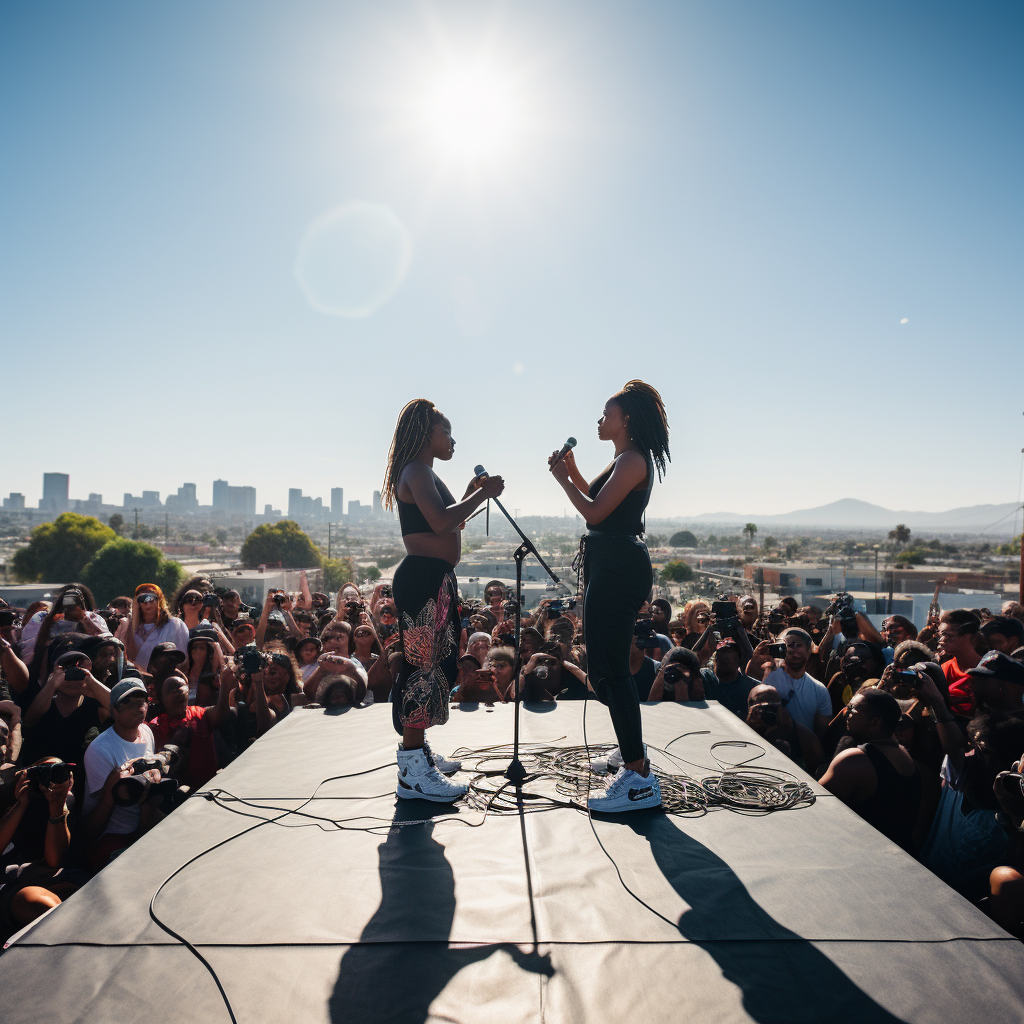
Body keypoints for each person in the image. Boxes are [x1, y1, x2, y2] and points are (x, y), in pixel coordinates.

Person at [549, 380, 670, 812]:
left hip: (618, 568)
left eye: (606, 414)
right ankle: (629, 749)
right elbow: (599, 499)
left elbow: (594, 512)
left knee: (612, 670)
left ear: (627, 419)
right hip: (611, 564)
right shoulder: (624, 459)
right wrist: (575, 472)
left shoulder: (634, 459)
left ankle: (637, 777)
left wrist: (564, 480)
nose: (600, 420)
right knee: (604, 667)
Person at [381, 398, 503, 801]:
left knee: (433, 671)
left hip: (434, 579)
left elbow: (448, 516)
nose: (452, 440)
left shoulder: (425, 472)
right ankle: (412, 769)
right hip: (421, 580)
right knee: (420, 673)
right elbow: (442, 521)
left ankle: (419, 754)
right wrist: (483, 496)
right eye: (446, 432)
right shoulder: (416, 470)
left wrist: (469, 493)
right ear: (425, 434)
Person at [819, 688, 923, 853]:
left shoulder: (854, 760)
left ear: (874, 722)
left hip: (856, 855)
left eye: (853, 709)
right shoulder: (907, 758)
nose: (846, 713)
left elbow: (816, 806)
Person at [81, 677, 159, 869]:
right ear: (114, 711)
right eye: (127, 702)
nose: (137, 706)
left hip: (146, 823)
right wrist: (113, 790)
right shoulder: (100, 749)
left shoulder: (146, 732)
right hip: (115, 835)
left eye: (141, 700)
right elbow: (91, 827)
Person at [748, 627, 831, 739]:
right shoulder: (767, 676)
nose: (793, 650)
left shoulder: (820, 690)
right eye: (788, 646)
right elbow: (751, 677)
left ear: (808, 652)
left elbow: (822, 730)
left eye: (798, 645)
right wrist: (754, 661)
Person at [123, 584, 189, 672]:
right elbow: (132, 657)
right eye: (142, 599)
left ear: (159, 600)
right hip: (141, 679)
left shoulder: (175, 624)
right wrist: (134, 620)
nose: (147, 603)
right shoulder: (131, 627)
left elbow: (183, 660)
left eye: (150, 598)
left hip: (167, 678)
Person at [702, 638, 759, 717]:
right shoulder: (706, 678)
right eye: (721, 660)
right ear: (715, 660)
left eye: (728, 660)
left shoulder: (751, 687)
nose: (724, 663)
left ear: (738, 662)